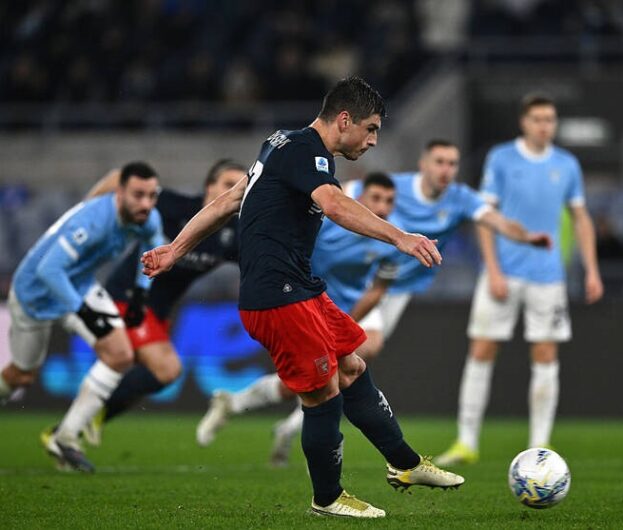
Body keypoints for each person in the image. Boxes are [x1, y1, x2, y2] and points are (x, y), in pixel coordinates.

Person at [141, 77, 470, 518]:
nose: (374, 140)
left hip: (300, 288)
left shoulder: (281, 144)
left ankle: (406, 464)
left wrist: (174, 250)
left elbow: (229, 201)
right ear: (345, 120)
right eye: (371, 129)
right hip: (277, 297)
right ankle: (328, 498)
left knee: (351, 367)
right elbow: (332, 204)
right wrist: (400, 237)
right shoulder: (304, 151)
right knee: (321, 394)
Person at [197, 140, 553, 468]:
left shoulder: (445, 205)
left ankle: (280, 420)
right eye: (439, 162)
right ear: (423, 163)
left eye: (452, 163)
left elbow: (381, 287)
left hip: (366, 290)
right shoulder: (359, 195)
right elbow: (327, 203)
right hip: (307, 288)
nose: (446, 170)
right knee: (321, 372)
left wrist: (525, 237)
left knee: (351, 358)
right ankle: (251, 409)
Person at [436, 94, 604, 466]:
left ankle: (540, 445)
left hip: (548, 277)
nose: (545, 125)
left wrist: (592, 269)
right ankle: (466, 442)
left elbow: (581, 218)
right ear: (524, 122)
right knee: (482, 349)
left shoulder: (567, 165)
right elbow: (485, 215)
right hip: (504, 272)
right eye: (538, 119)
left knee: (545, 354)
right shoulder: (501, 158)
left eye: (550, 119)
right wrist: (492, 269)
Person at [195, 172, 403, 456]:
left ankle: (287, 427)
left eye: (389, 201)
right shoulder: (329, 219)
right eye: (376, 198)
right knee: (310, 380)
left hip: (352, 304)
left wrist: (343, 327)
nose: (382, 207)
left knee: (361, 353)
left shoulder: (393, 235)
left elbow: (377, 291)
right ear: (360, 197)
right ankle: (241, 406)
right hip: (307, 299)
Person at [0, 162, 164, 473]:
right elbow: (49, 270)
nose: (146, 203)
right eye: (138, 195)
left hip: (79, 284)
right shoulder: (93, 221)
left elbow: (153, 244)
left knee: (120, 355)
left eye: (152, 195)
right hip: (35, 292)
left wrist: (141, 293)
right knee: (21, 375)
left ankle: (65, 438)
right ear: (119, 193)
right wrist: (83, 311)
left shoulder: (146, 217)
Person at [75, 160, 247, 447]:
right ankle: (82, 421)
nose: (236, 192)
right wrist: (83, 215)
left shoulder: (235, 234)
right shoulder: (175, 206)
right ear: (209, 186)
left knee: (151, 375)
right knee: (166, 369)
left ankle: (78, 424)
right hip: (127, 297)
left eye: (241, 186)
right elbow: (118, 177)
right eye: (229, 184)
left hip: (159, 313)